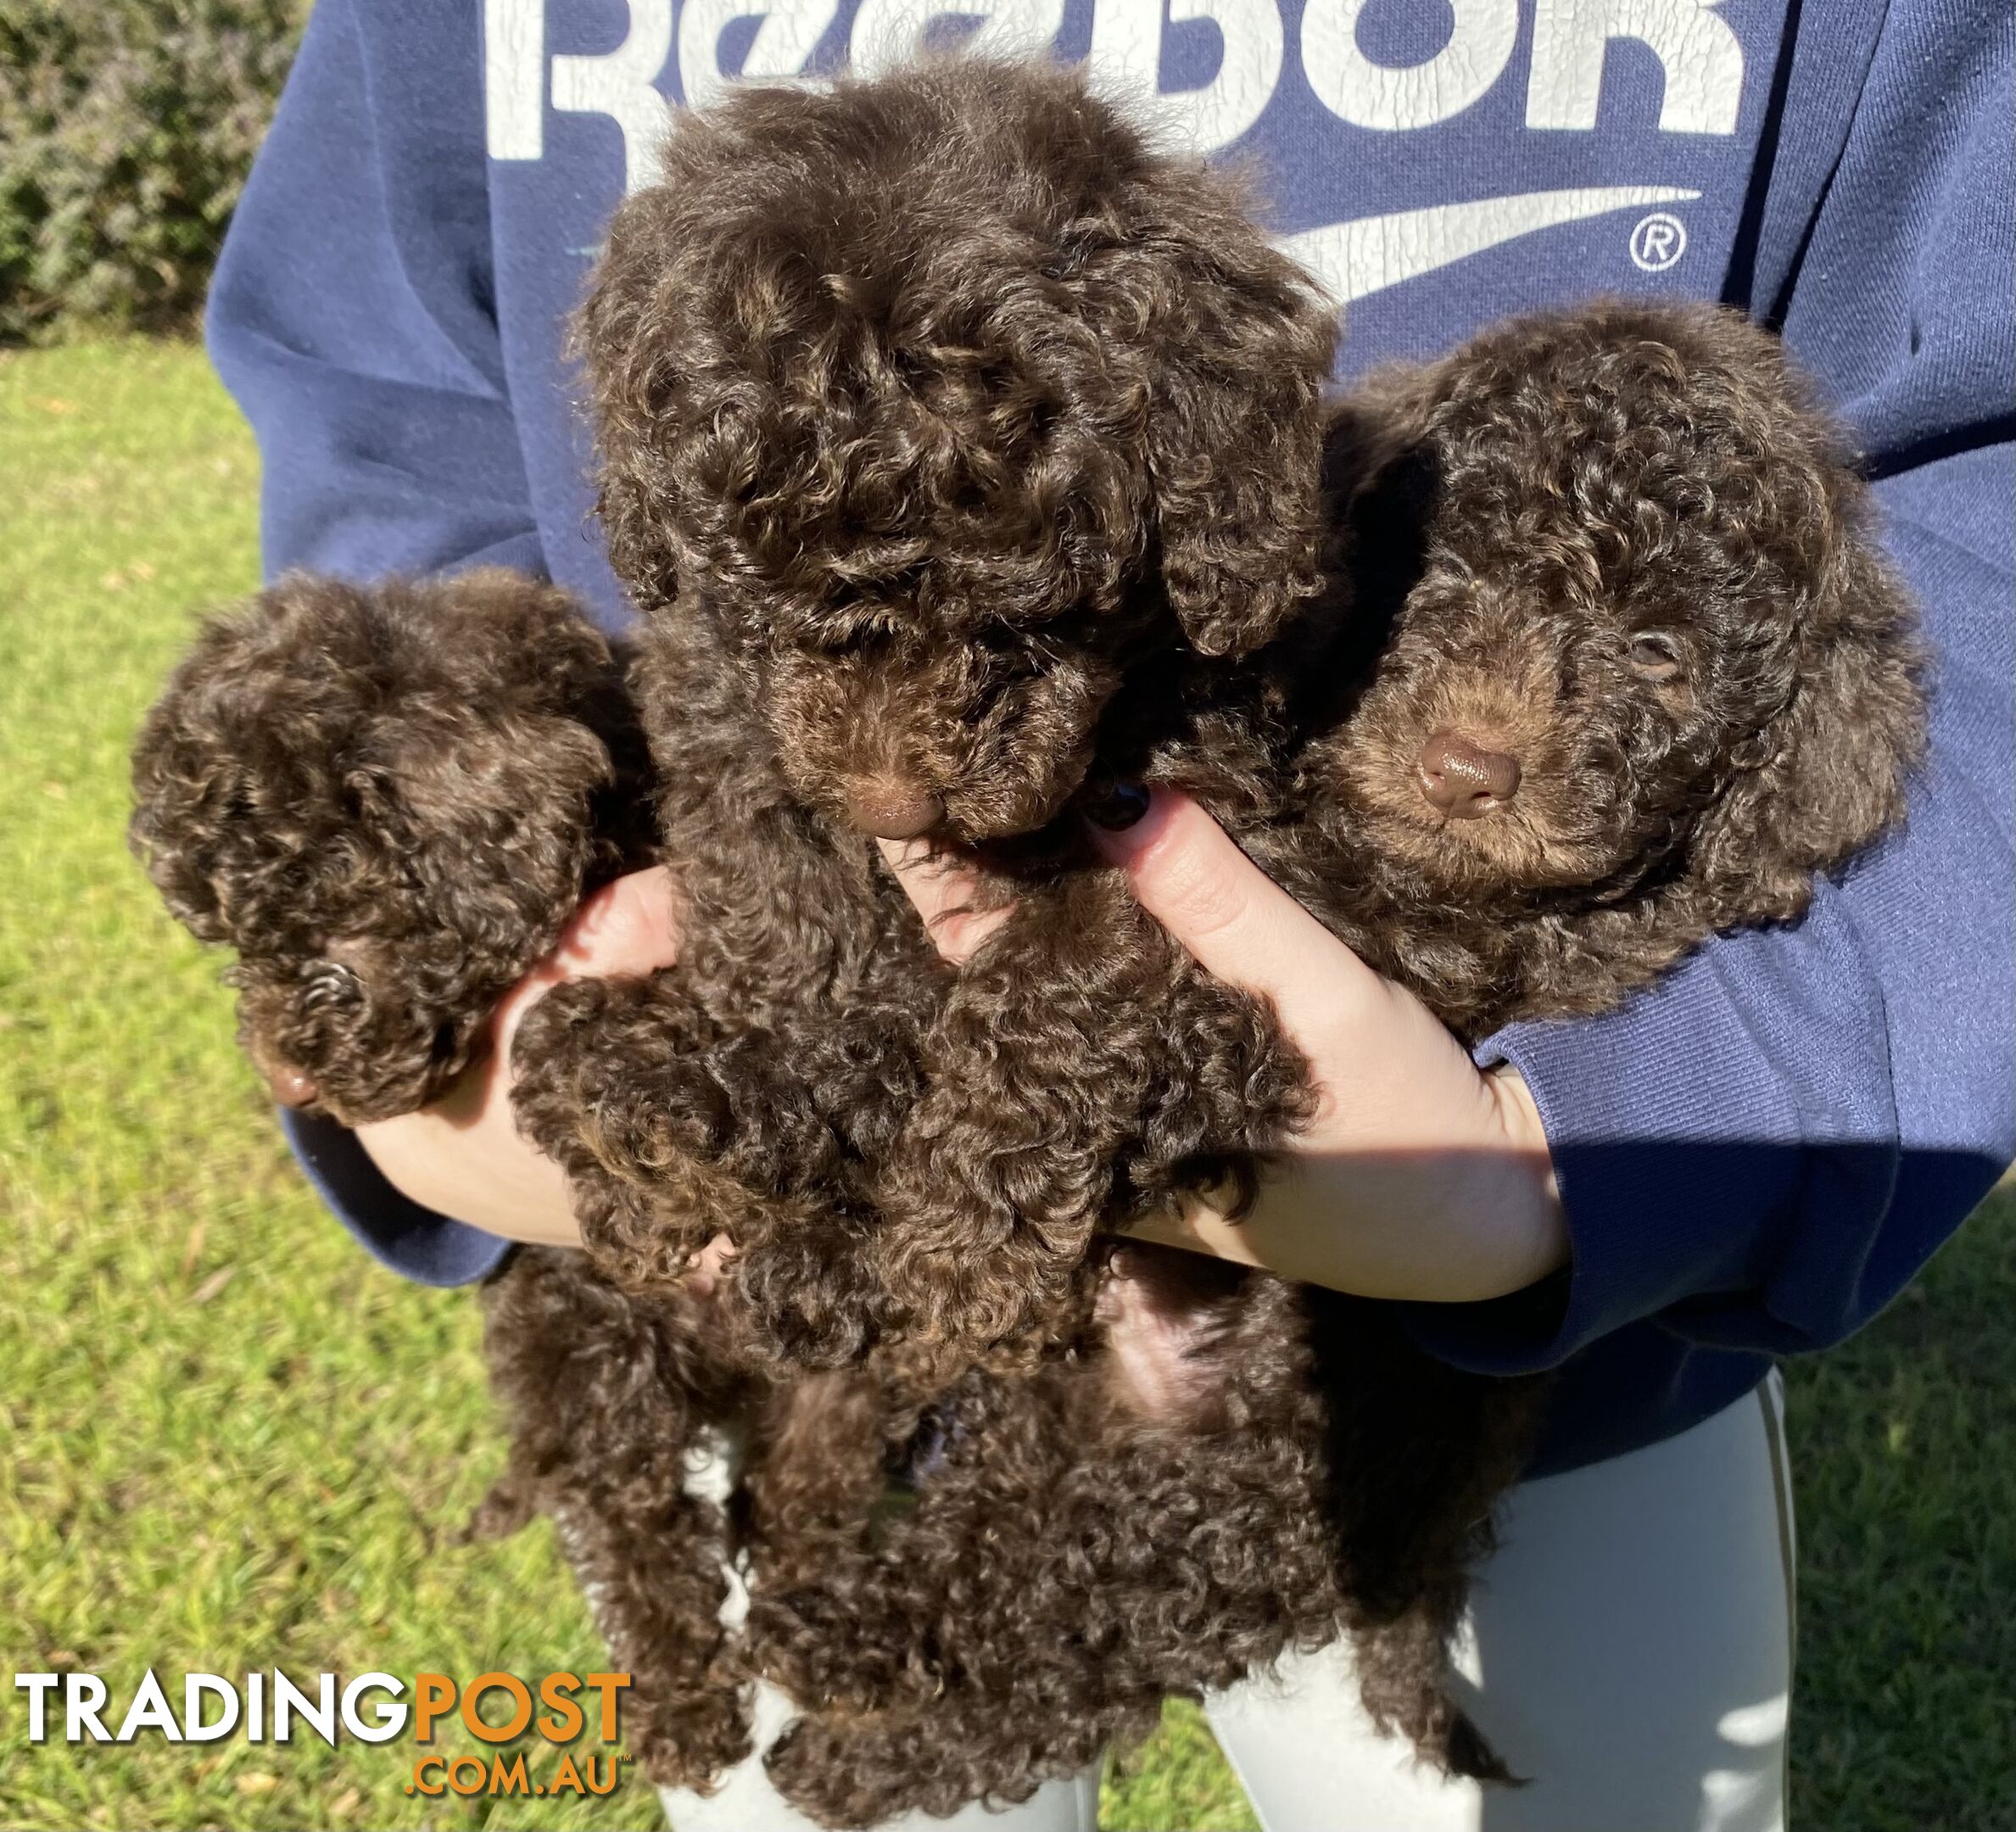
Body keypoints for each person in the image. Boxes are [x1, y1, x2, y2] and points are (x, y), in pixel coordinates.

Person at [204, 3, 2013, 1828]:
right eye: (817, 641)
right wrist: (446, 968)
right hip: (759, 1337)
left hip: (1543, 1334)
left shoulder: (1216, 495)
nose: (894, 769)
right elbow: (399, 404)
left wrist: (1620, 1127)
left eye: (997, 636)